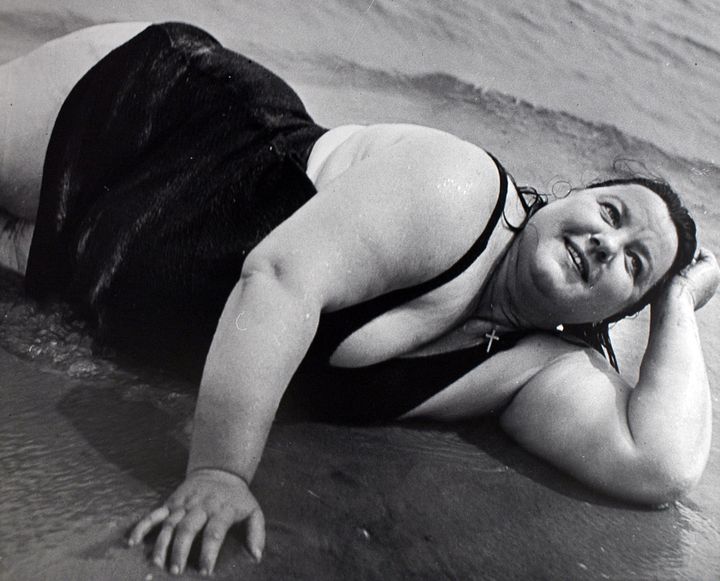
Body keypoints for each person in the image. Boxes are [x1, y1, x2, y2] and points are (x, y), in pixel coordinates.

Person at [1, 22, 717, 577]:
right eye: (612, 214)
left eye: (634, 263)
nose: (604, 243)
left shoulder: (524, 364)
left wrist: (677, 296)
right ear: (569, 197)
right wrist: (219, 471)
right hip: (139, 115)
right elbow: (279, 279)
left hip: (80, 270)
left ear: (614, 315)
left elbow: (656, 464)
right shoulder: (458, 191)